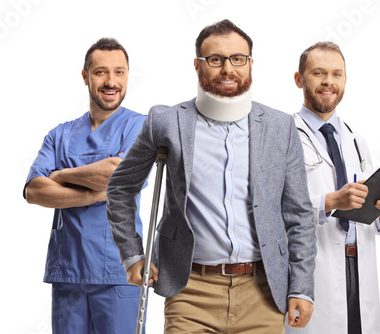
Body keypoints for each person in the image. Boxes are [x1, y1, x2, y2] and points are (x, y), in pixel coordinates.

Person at [106, 19, 317, 333]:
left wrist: (301, 286)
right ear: (197, 65)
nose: (228, 69)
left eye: (238, 59)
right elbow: (121, 189)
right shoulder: (165, 122)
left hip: (262, 291)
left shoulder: (280, 126)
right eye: (215, 60)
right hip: (190, 290)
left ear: (250, 64)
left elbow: (299, 213)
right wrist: (133, 255)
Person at [24, 38, 147, 334]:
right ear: (85, 76)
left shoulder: (139, 126)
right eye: (101, 72)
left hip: (120, 272)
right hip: (68, 272)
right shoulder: (60, 134)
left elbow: (116, 174)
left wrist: (60, 174)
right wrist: (93, 194)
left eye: (119, 72)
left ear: (128, 75)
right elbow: (34, 191)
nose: (111, 81)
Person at [285, 42, 380, 334]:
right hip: (314, 271)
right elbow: (271, 208)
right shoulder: (283, 137)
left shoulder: (356, 140)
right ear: (299, 80)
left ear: (345, 81)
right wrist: (329, 201)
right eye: (319, 73)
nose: (329, 81)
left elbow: (365, 207)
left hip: (358, 266)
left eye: (337, 74)